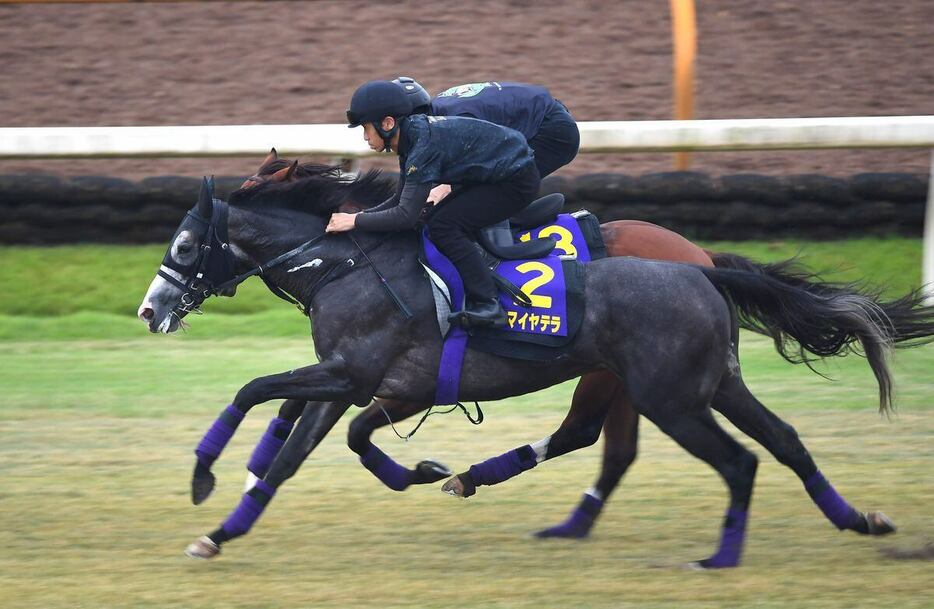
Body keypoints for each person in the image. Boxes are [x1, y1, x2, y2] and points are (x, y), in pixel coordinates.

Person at [326, 80, 541, 326]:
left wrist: (355, 220)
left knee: (444, 227)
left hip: (513, 183)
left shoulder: (421, 147)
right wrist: (358, 217)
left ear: (387, 124)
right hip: (499, 173)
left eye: (366, 128)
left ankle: (488, 305)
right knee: (437, 220)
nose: (365, 138)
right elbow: (399, 200)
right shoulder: (411, 137)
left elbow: (405, 215)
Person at [392, 77, 580, 204]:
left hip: (552, 131)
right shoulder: (439, 112)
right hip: (546, 115)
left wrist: (444, 188)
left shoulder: (453, 119)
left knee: (488, 198)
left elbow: (478, 163)